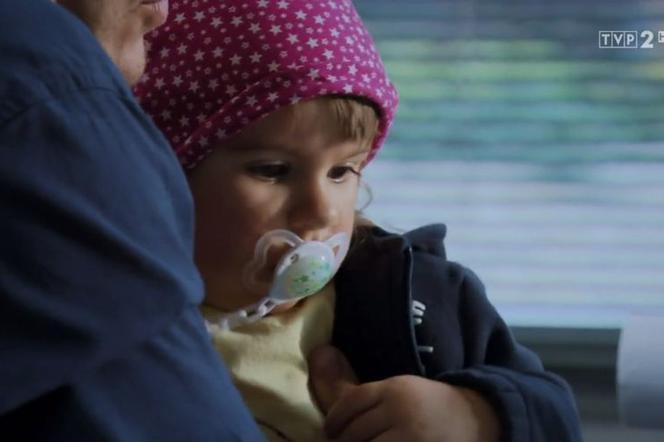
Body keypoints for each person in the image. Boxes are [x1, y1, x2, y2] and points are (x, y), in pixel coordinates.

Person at [135, 1, 583, 441]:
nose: (321, 210)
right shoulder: (121, 327)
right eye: (272, 170)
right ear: (165, 176)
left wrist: (474, 417)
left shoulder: (420, 294)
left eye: (341, 171)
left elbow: (555, 414)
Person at [0, 0, 265, 441]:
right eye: (271, 170)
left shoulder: (368, 306)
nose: (163, 12)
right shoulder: (38, 74)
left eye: (343, 171)